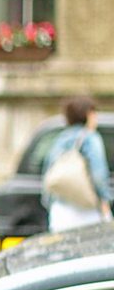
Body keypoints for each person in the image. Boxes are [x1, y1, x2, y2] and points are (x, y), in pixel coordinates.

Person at [43, 95, 113, 231]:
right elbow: (98, 174)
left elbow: (48, 172)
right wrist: (104, 199)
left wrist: (49, 202)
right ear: (88, 115)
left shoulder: (60, 138)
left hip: (60, 209)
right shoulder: (91, 138)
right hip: (86, 211)